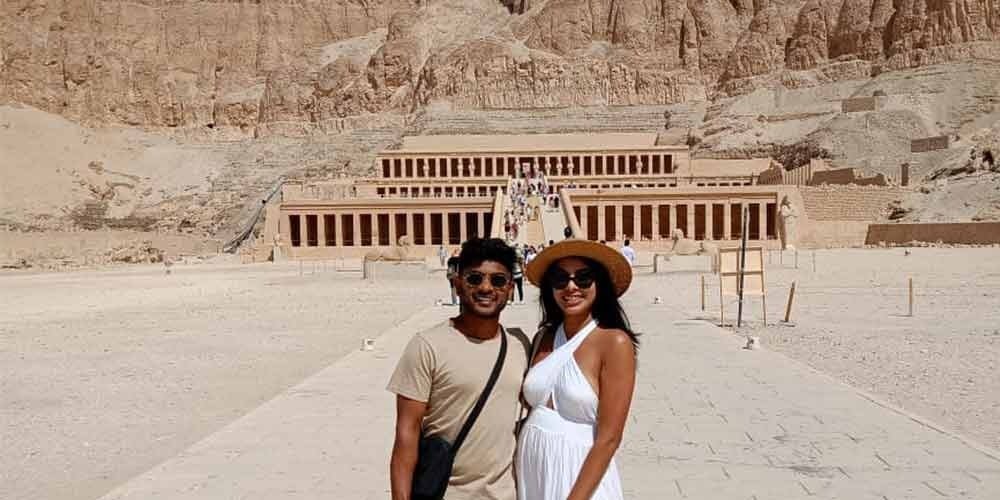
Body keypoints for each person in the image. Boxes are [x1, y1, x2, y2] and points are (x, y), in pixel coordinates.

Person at [388, 238, 529, 500]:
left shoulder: (520, 344)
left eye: (498, 281)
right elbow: (406, 435)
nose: (486, 287)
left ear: (511, 288)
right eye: (474, 279)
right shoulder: (427, 346)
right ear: (457, 283)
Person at [518, 239, 638, 500]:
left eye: (583, 278)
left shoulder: (614, 342)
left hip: (582, 479)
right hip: (534, 473)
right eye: (560, 279)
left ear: (600, 285)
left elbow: (609, 439)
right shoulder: (543, 337)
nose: (571, 287)